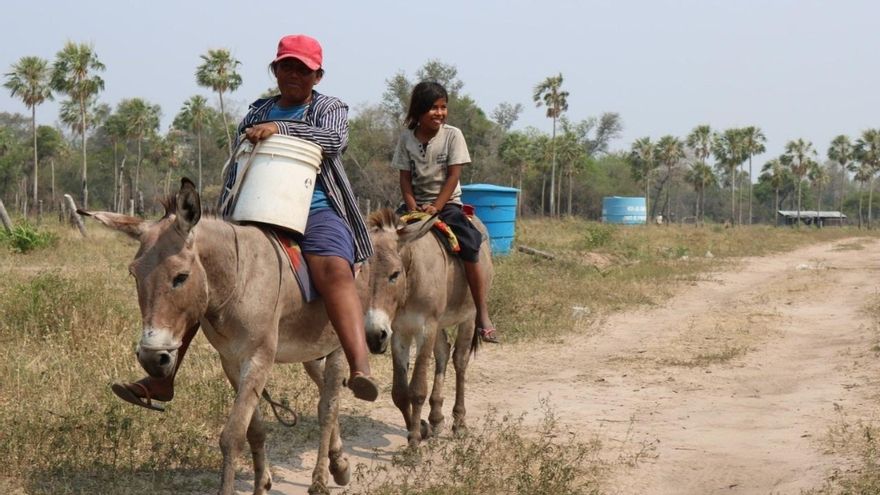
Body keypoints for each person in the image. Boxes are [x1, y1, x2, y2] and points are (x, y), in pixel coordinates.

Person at [112, 34, 379, 410]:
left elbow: (333, 140)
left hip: (317, 208)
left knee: (334, 268)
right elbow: (240, 153)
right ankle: (163, 379)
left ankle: (359, 366)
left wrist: (282, 129)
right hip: (256, 208)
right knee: (196, 277)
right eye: (286, 66)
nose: (293, 74)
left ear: (317, 76)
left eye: (303, 69)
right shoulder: (257, 110)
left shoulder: (329, 107)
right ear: (275, 70)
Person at [391, 81, 499, 344]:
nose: (439, 113)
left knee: (471, 244)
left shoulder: (453, 135)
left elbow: (453, 176)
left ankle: (481, 314)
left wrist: (437, 207)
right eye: (433, 108)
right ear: (418, 111)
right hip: (414, 205)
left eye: (443, 107)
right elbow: (405, 178)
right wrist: (412, 203)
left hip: (447, 204)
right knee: (381, 243)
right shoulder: (406, 138)